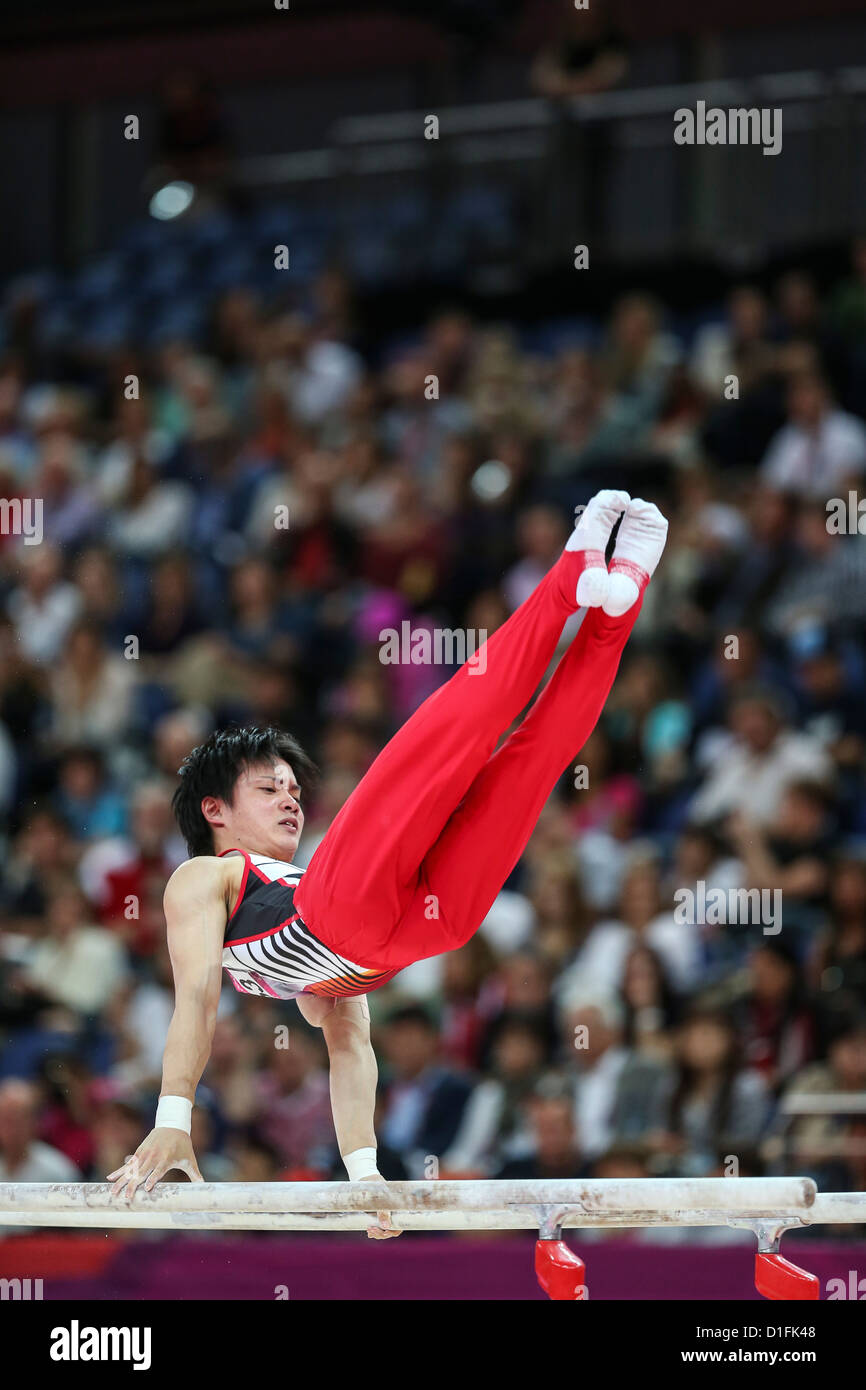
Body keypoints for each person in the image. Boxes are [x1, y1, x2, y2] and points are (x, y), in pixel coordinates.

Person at [108, 490, 668, 1238]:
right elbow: (209, 1004)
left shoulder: (306, 877)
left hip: (370, 920)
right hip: (403, 937)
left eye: (295, 787)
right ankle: (597, 596)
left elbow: (345, 1041)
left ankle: (600, 582)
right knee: (502, 752)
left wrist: (363, 1174)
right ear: (214, 811)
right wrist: (183, 1120)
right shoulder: (201, 879)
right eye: (267, 787)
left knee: (483, 743)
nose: (292, 799)